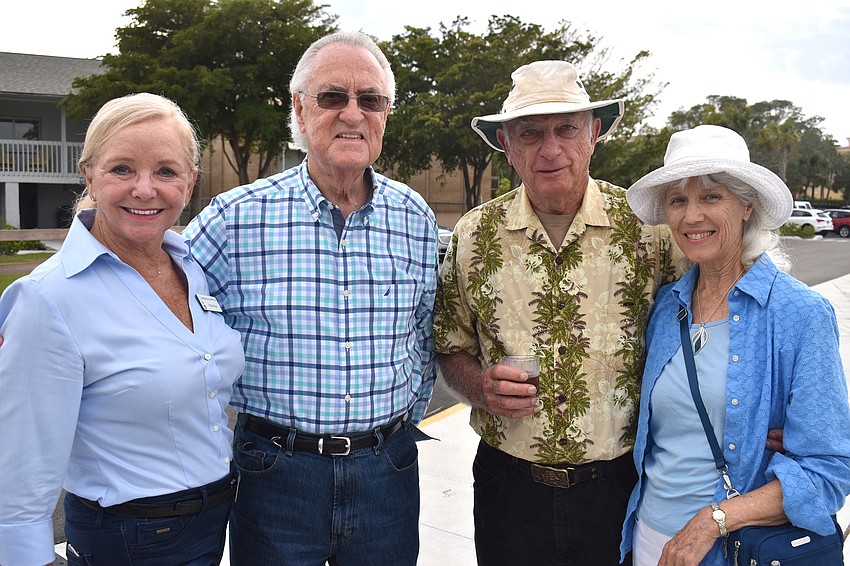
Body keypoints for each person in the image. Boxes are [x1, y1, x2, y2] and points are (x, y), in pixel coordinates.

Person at [182, 31, 439, 565]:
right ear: (299, 110)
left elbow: (422, 332)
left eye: (370, 99)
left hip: (386, 472)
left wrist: (398, 427)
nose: (353, 113)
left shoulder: (415, 217)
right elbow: (156, 308)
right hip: (276, 472)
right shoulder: (234, 219)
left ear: (385, 114)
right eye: (332, 97)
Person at [433, 60, 678, 566]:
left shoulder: (649, 230)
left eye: (566, 128)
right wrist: (479, 387)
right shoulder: (474, 236)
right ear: (506, 143)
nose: (550, 149)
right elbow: (449, 344)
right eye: (530, 132)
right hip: (509, 490)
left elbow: (711, 325)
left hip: (621, 485)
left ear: (594, 133)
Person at [0, 93, 245, 565]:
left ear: (190, 181)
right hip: (130, 539)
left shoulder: (191, 268)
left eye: (167, 172)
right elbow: (21, 468)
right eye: (123, 169)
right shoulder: (49, 297)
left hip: (215, 522)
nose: (145, 189)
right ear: (89, 174)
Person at [619, 124, 850, 565]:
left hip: (728, 548)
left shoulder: (799, 314)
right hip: (647, 538)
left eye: (711, 197)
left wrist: (711, 521)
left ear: (747, 206)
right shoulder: (668, 307)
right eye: (678, 200)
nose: (691, 217)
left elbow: (828, 471)